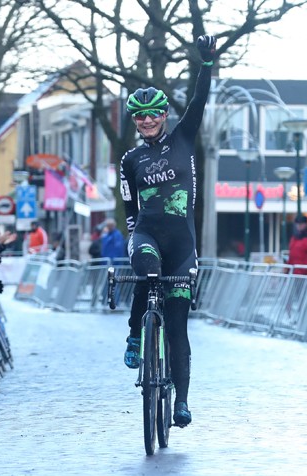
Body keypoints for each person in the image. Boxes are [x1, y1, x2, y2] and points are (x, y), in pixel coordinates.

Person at [119, 34, 216, 428]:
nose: (145, 121)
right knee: (147, 269)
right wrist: (131, 235)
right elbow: (129, 206)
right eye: (139, 116)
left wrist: (205, 63)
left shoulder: (183, 139)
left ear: (163, 115)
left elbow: (198, 100)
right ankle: (133, 334)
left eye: (152, 114)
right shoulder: (130, 159)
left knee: (178, 326)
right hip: (147, 234)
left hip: (182, 244)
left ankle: (182, 400)